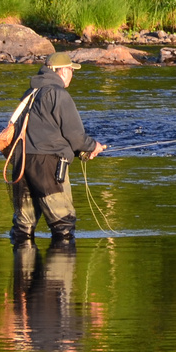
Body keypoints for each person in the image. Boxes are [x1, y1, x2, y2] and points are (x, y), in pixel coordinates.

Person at [9, 51, 105, 242]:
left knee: (23, 229)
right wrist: (93, 146)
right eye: (71, 70)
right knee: (63, 226)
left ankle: (22, 268)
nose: (72, 74)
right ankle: (59, 267)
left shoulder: (30, 93)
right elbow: (76, 136)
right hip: (48, 165)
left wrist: (82, 149)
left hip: (21, 163)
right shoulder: (59, 94)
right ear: (61, 71)